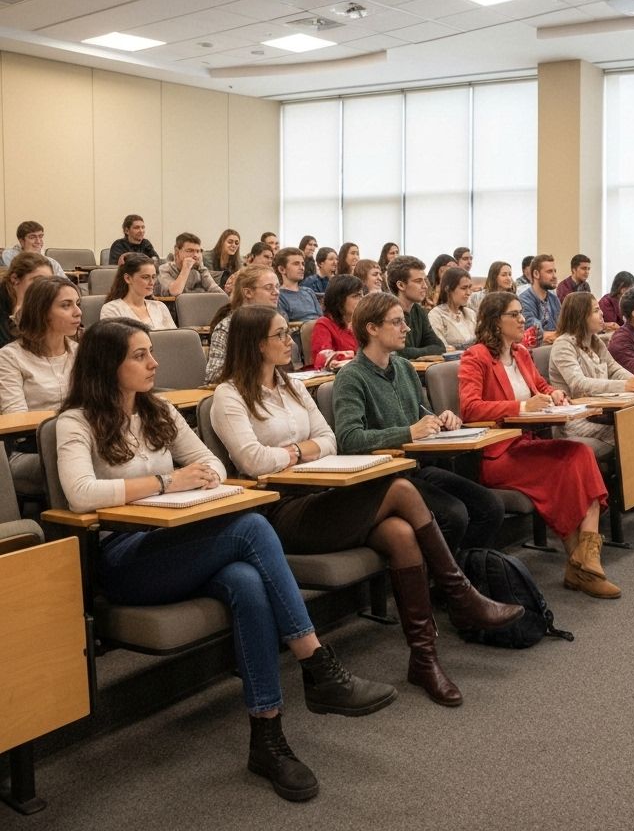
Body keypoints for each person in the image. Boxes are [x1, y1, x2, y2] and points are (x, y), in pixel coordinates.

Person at [58, 318, 397, 802]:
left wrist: (198, 476)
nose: (154, 362)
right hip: (125, 559)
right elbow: (79, 494)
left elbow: (212, 463)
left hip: (179, 541)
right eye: (139, 355)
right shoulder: (77, 421)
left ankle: (268, 737)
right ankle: (317, 664)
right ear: (105, 365)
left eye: (151, 351)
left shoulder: (158, 412)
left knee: (246, 581)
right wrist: (165, 483)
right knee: (253, 528)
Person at [211, 305, 521, 708]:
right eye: (281, 335)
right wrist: (302, 451)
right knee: (401, 490)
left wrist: (293, 451)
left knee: (401, 533)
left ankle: (425, 659)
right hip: (278, 514)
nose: (291, 341)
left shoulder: (292, 386)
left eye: (288, 333)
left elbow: (329, 440)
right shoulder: (228, 395)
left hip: (323, 496)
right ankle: (460, 592)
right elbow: (253, 461)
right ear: (255, 345)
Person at [459, 292, 620, 600]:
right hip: (499, 453)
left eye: (522, 313)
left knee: (579, 454)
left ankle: (584, 562)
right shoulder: (476, 357)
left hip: (527, 443)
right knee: (567, 463)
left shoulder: (520, 353)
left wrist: (555, 395)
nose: (523, 319)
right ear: (495, 322)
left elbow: (541, 387)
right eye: (514, 314)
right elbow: (470, 408)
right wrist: (521, 407)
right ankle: (582, 566)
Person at [335, 293, 504, 553]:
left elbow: (420, 415)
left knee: (490, 506)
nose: (407, 328)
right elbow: (350, 439)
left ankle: (466, 577)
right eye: (397, 322)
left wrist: (443, 420)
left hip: (416, 468)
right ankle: (446, 585)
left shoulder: (404, 368)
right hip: (384, 480)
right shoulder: (351, 376)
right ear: (372, 329)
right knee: (454, 514)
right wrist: (409, 432)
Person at [0, 276, 81, 504]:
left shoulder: (79, 352)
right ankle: (74, 534)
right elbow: (16, 418)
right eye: (66, 305)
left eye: (77, 304)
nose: (77, 312)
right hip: (29, 450)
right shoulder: (11, 356)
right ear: (42, 312)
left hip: (78, 443)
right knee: (73, 463)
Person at [549, 292, 634, 448]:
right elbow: (578, 384)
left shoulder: (596, 341)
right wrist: (625, 386)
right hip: (575, 420)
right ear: (581, 316)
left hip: (598, 412)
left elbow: (614, 370)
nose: (602, 313)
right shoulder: (563, 345)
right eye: (596, 310)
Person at [205, 266, 280, 384]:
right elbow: (214, 375)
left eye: (277, 287)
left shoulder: (275, 323)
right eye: (269, 287)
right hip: (241, 393)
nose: (276, 292)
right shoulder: (226, 327)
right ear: (248, 292)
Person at [385, 255, 445, 359]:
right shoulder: (386, 312)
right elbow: (397, 354)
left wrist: (413, 353)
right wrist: (423, 352)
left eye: (424, 280)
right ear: (401, 285)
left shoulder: (419, 311)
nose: (425, 286)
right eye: (418, 281)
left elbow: (439, 347)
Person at [101, 253, 176, 330]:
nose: (151, 282)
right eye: (145, 277)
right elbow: (111, 341)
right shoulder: (112, 309)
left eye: (153, 277)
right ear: (128, 278)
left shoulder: (160, 307)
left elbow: (173, 338)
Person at [0, 252, 55, 348]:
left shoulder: (42, 302)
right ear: (15, 278)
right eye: (38, 280)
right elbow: (9, 347)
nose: (44, 287)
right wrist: (17, 317)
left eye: (48, 282)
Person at [310, 274, 361, 369]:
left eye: (361, 295)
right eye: (355, 296)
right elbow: (324, 358)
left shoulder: (362, 323)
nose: (361, 300)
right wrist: (356, 355)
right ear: (339, 300)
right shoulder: (324, 324)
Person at [156, 233, 220, 296]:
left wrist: (202, 269)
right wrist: (186, 268)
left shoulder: (200, 269)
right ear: (177, 251)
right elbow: (175, 291)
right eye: (189, 251)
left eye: (198, 251)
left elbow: (217, 291)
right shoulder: (164, 269)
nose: (195, 255)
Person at [428, 267, 476, 349]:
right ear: (448, 289)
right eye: (464, 288)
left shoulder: (471, 314)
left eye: (469, 287)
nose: (468, 293)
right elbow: (441, 348)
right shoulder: (436, 315)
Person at [519, 254, 561, 345]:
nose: (554, 276)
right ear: (536, 274)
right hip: (535, 352)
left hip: (554, 347)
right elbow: (535, 333)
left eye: (555, 271)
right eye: (549, 272)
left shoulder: (554, 299)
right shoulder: (524, 300)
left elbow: (563, 329)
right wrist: (557, 335)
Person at [274, 248, 321, 323]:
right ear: (282, 269)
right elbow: (285, 326)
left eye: (302, 264)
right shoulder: (278, 295)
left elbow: (321, 317)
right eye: (296, 264)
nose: (302, 268)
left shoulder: (309, 291)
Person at [1, 221, 66, 276]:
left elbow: (66, 285)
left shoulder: (52, 262)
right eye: (32, 237)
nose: (38, 241)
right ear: (22, 242)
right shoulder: (8, 257)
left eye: (40, 237)